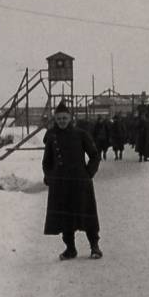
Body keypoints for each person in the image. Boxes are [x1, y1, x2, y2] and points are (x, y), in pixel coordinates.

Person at [42, 101, 103, 260]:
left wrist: (88, 173)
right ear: (55, 119)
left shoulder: (81, 134)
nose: (62, 121)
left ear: (70, 118)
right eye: (59, 118)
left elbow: (95, 155)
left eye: (64, 118)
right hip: (60, 184)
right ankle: (70, 249)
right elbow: (47, 162)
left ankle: (94, 246)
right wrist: (50, 177)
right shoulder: (51, 137)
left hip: (80, 182)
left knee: (87, 214)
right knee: (65, 217)